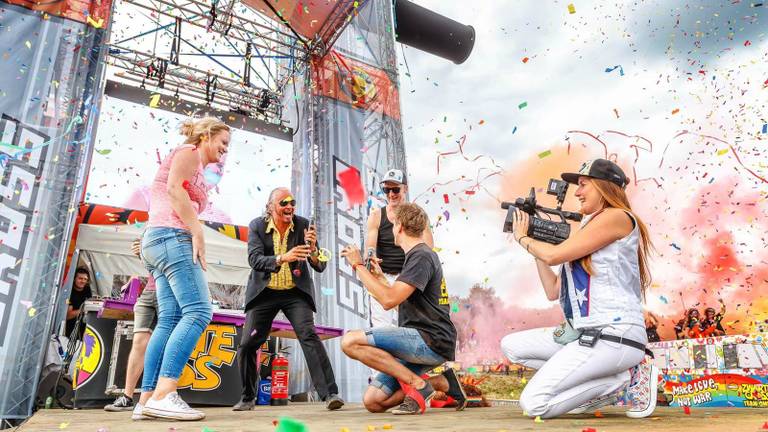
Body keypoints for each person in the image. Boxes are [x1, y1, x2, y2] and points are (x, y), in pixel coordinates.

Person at [499, 158, 658, 419]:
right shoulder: (588, 233)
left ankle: (624, 378)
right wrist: (538, 244)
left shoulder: (618, 216)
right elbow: (552, 289)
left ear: (605, 188)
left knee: (534, 404)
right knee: (512, 346)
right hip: (588, 333)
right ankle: (612, 378)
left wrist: (523, 237)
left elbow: (554, 256)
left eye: (584, 185)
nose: (577, 192)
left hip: (613, 334)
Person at [135, 116, 230, 421]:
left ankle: (147, 398)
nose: (225, 149)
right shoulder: (189, 152)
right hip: (171, 236)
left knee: (170, 319)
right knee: (199, 312)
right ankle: (165, 393)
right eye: (223, 142)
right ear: (206, 136)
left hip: (160, 239)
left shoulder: (196, 164)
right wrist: (197, 232)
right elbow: (175, 190)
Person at [340, 203, 466, 415]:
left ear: (398, 227)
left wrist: (358, 266)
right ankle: (442, 382)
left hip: (428, 340)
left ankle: (419, 385)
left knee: (350, 341)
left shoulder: (421, 255)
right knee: (374, 402)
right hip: (421, 341)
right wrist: (380, 279)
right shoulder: (416, 257)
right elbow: (395, 298)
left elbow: (388, 301)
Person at [233, 187, 344, 411]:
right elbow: (254, 260)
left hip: (295, 292)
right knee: (247, 344)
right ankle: (247, 398)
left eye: (292, 202)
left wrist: (313, 250)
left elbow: (320, 264)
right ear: (271, 206)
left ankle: (330, 394)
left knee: (308, 335)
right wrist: (284, 257)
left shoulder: (303, 225)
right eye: (283, 203)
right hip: (265, 293)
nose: (289, 206)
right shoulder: (257, 225)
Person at [364, 169, 434, 329]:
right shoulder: (376, 216)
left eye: (395, 189)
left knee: (412, 326)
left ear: (405, 189)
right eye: (386, 190)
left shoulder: (417, 214)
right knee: (381, 328)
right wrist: (370, 258)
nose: (391, 194)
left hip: (408, 279)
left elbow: (428, 247)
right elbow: (370, 247)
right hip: (384, 277)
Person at [104, 239, 158, 414]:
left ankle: (154, 398)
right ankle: (127, 397)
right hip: (150, 291)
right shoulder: (155, 226)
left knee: (161, 345)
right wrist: (142, 254)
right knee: (139, 343)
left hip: (170, 292)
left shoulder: (182, 229)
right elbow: (153, 266)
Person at [65, 267, 92, 337]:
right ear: (74, 279)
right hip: (70, 330)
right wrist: (83, 310)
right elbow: (68, 315)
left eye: (85, 279)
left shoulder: (87, 289)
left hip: (84, 328)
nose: (83, 281)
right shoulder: (69, 292)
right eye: (80, 278)